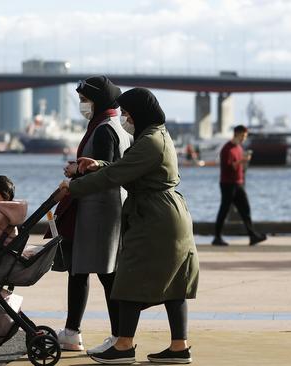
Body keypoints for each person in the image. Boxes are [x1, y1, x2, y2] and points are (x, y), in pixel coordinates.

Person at [55, 87, 199, 365]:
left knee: (129, 278)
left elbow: (118, 174)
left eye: (129, 113)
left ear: (141, 113)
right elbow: (126, 167)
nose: (125, 118)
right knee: (174, 282)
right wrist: (98, 164)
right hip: (166, 214)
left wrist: (74, 187)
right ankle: (179, 347)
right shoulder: (157, 135)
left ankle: (123, 346)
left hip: (154, 216)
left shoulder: (149, 141)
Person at [49, 75, 131, 352]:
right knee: (81, 270)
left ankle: (119, 336)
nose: (83, 105)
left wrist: (76, 173)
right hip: (100, 209)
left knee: (105, 274)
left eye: (85, 100)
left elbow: (106, 171)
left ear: (99, 101)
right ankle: (73, 332)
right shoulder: (115, 127)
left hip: (99, 211)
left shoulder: (104, 129)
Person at [212, 125, 267, 246]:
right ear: (237, 134)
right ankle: (217, 237)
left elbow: (239, 167)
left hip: (238, 183)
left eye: (245, 136)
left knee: (245, 209)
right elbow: (230, 167)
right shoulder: (227, 149)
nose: (244, 138)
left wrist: (244, 162)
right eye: (243, 136)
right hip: (227, 184)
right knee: (224, 210)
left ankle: (252, 236)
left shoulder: (239, 148)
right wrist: (243, 161)